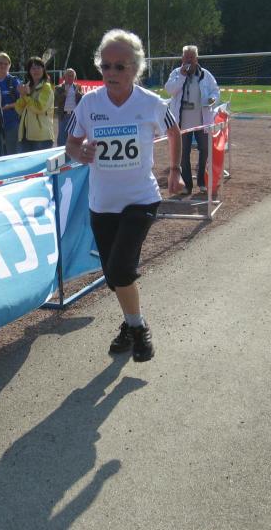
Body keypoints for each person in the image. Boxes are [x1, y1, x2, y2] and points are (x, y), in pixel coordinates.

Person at [65, 29, 185, 362]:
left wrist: (175, 170)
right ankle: (130, 325)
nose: (111, 73)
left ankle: (139, 330)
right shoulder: (90, 104)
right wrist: (80, 152)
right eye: (106, 66)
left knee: (120, 269)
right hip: (102, 204)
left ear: (136, 68)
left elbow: (175, 132)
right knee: (113, 275)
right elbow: (71, 143)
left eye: (120, 66)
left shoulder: (151, 103)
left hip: (141, 199)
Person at [164, 45, 220, 194]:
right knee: (183, 154)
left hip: (202, 121)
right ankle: (187, 185)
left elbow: (215, 91)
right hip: (182, 123)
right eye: (186, 57)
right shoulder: (176, 73)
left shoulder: (206, 75)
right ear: (182, 58)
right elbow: (170, 90)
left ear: (196, 58)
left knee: (205, 150)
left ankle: (202, 181)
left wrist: (213, 98)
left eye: (191, 57)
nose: (188, 60)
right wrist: (182, 76)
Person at [15, 56, 54, 153]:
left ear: (43, 69)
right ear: (29, 71)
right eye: (33, 68)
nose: (36, 70)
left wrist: (26, 96)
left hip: (42, 138)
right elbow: (19, 110)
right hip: (25, 136)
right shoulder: (27, 86)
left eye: (38, 67)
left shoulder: (46, 87)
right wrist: (23, 95)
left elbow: (40, 108)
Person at [0, 52, 21, 155]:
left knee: (12, 154)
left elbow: (22, 101)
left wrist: (8, 106)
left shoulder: (13, 81)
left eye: (6, 64)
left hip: (12, 124)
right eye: (1, 63)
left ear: (9, 65)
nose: (3, 66)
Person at [54, 68, 82, 147]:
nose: (70, 77)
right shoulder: (58, 87)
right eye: (68, 75)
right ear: (64, 77)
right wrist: (65, 93)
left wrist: (78, 93)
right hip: (63, 116)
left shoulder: (78, 87)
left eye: (72, 76)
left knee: (74, 138)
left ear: (74, 77)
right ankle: (61, 154)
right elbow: (56, 101)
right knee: (62, 139)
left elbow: (81, 101)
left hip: (74, 116)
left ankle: (73, 154)